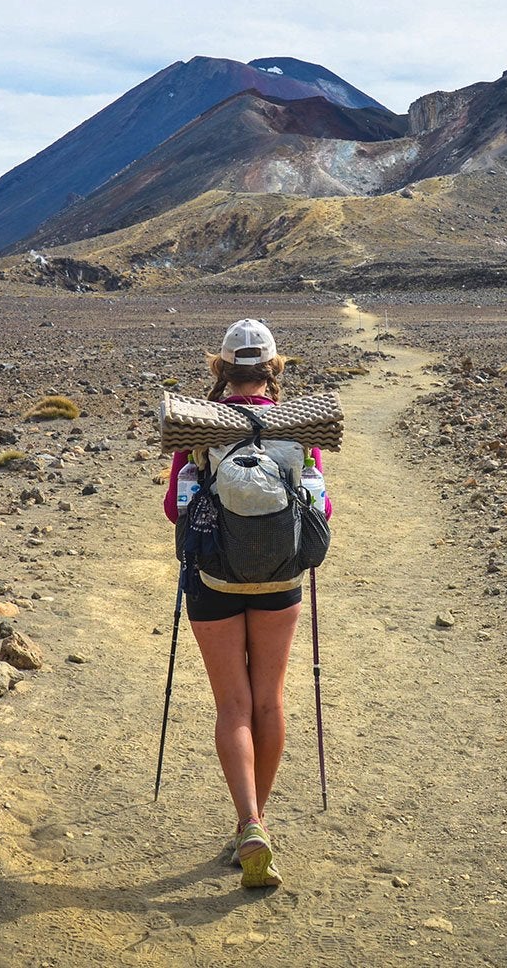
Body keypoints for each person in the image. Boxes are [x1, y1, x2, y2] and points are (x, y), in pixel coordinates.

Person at [162, 318, 332, 889]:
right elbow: (320, 510)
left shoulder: (197, 428)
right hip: (281, 580)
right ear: (273, 369)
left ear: (222, 370)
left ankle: (248, 822)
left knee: (232, 706)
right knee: (270, 702)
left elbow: (173, 509)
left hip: (213, 581)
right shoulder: (300, 429)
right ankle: (256, 822)